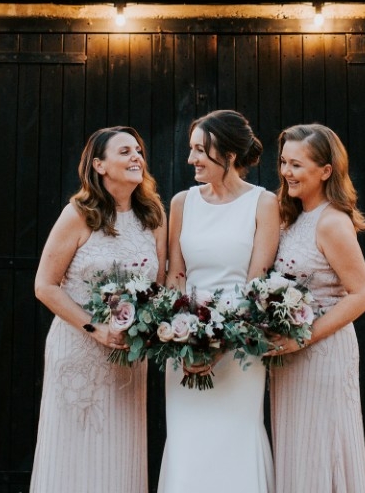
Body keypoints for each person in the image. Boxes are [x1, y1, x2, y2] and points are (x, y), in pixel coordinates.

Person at [30, 126, 167, 493]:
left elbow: (159, 288)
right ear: (99, 165)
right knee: (74, 453)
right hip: (79, 350)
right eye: (125, 151)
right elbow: (45, 286)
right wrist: (96, 328)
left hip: (126, 357)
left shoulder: (154, 216)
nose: (136, 157)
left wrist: (147, 327)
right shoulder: (78, 214)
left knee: (118, 457)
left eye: (138, 151)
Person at [157, 110, 279, 493]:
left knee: (235, 440)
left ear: (228, 155)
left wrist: (222, 343)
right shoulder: (182, 202)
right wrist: (181, 335)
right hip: (185, 346)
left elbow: (257, 283)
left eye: (200, 150)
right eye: (191, 149)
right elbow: (176, 275)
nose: (190, 159)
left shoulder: (263, 203)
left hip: (240, 348)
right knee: (188, 445)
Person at [268, 123, 365, 493]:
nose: (286, 172)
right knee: (298, 450)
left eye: (296, 165)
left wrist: (303, 338)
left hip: (323, 352)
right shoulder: (292, 217)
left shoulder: (331, 222)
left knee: (322, 447)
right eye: (284, 162)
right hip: (290, 356)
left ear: (325, 171)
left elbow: (362, 294)